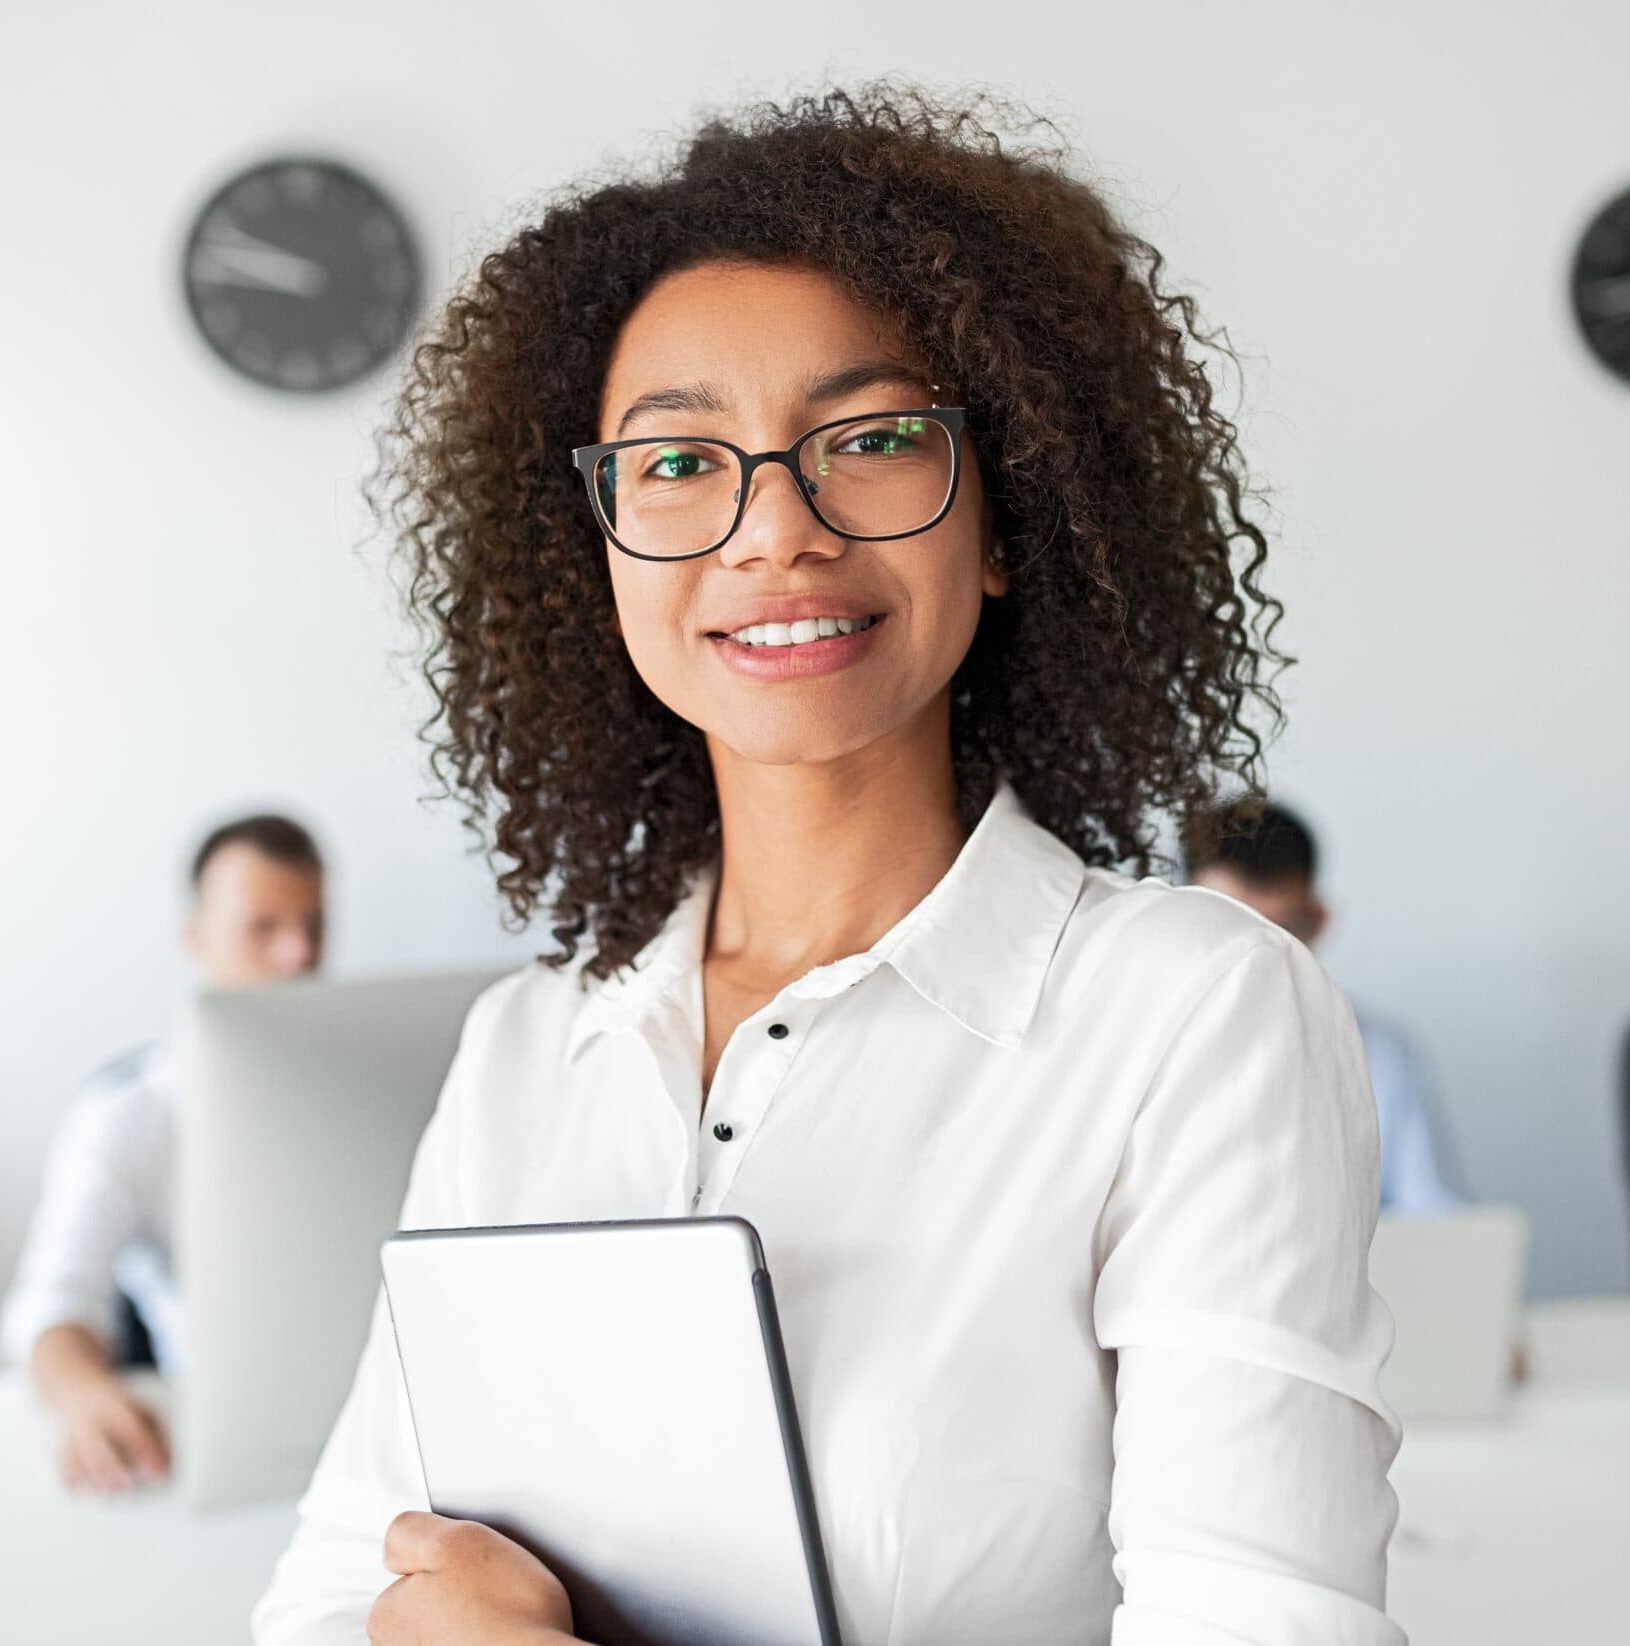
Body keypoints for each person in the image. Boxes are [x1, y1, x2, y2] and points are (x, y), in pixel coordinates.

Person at [255, 85, 1402, 1645]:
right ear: (594, 556)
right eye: (675, 464)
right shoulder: (530, 1051)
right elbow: (327, 1601)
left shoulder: (1193, 1014)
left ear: (1005, 516)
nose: (770, 530)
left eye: (867, 439)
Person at [0, 813, 325, 1493]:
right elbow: (48, 1307)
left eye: (314, 927)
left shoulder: (372, 1086)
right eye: (263, 928)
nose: (298, 955)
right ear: (196, 937)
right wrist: (83, 1392)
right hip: (223, 1456)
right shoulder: (131, 1110)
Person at [1185, 799, 1466, 1215]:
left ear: (1318, 921)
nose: (1249, 962)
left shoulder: (1382, 1055)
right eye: (1227, 929)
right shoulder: (1131, 1047)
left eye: (1278, 934)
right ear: (1179, 919)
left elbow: (1439, 1224)